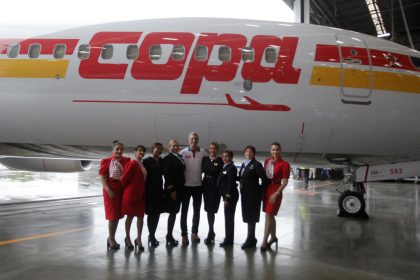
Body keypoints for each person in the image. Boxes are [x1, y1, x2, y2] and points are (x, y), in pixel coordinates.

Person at [99, 140, 130, 250]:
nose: (119, 151)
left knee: (117, 215)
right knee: (112, 216)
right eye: (117, 149)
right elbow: (102, 177)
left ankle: (111, 237)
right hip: (110, 189)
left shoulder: (127, 160)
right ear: (113, 150)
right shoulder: (106, 161)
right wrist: (108, 189)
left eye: (121, 149)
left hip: (121, 188)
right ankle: (111, 239)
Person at [238, 145, 269, 249]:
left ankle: (250, 239)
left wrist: (258, 190)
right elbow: (242, 177)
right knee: (247, 217)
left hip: (253, 196)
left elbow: (264, 179)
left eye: (250, 152)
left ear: (254, 154)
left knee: (251, 217)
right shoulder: (244, 164)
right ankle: (252, 238)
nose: (248, 153)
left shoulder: (256, 164)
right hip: (245, 195)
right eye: (246, 152)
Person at [261, 142, 290, 252]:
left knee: (269, 214)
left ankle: (264, 241)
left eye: (277, 149)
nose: (275, 152)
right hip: (267, 189)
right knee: (270, 215)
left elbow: (285, 182)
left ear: (280, 151)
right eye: (273, 150)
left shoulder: (284, 164)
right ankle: (273, 237)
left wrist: (276, 193)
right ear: (270, 151)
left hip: (276, 190)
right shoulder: (267, 161)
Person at [179, 132, 207, 245]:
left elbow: (206, 167)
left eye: (195, 139)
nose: (193, 140)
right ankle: (184, 234)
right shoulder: (183, 152)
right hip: (186, 186)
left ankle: (194, 233)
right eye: (192, 139)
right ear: (188, 140)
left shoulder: (203, 152)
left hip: (198, 186)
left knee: (196, 211)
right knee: (184, 211)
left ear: (198, 140)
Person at [120, 145, 147, 251]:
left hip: (141, 195)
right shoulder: (132, 163)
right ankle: (127, 238)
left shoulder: (143, 164)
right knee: (130, 217)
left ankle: (139, 239)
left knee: (141, 217)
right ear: (135, 152)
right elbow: (123, 179)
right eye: (140, 151)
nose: (142, 153)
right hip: (131, 195)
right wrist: (130, 190)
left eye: (143, 151)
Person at [163, 139, 185, 247]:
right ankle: (169, 235)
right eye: (173, 146)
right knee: (172, 213)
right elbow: (166, 175)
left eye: (177, 146)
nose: (176, 148)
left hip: (180, 189)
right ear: (169, 147)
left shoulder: (179, 157)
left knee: (174, 212)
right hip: (173, 190)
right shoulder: (167, 158)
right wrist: (171, 190)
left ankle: (169, 235)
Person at [143, 142, 165, 248]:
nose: (159, 150)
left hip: (159, 190)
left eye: (160, 149)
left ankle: (152, 235)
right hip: (150, 191)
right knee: (151, 214)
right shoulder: (146, 161)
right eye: (157, 148)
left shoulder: (162, 161)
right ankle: (151, 235)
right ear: (152, 149)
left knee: (157, 214)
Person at [201, 142, 223, 245]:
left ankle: (211, 232)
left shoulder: (220, 161)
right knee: (208, 210)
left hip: (215, 188)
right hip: (205, 187)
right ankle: (211, 231)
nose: (212, 150)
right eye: (210, 148)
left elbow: (223, 175)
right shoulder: (204, 159)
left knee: (211, 210)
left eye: (214, 148)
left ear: (217, 150)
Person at [217, 149, 238, 247]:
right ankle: (228, 238)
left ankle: (229, 241)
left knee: (229, 218)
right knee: (228, 218)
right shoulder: (225, 166)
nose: (224, 158)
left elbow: (230, 184)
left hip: (230, 197)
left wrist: (227, 199)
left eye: (227, 157)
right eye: (223, 156)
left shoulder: (231, 168)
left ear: (231, 158)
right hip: (226, 196)